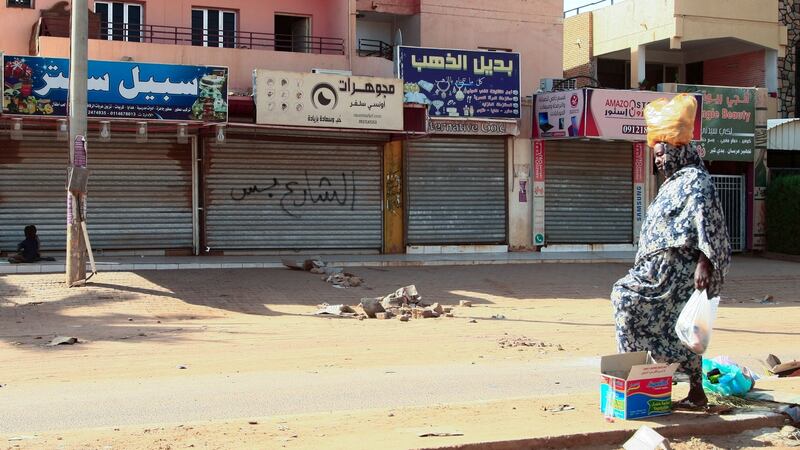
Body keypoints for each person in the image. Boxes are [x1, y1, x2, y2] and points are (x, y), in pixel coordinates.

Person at [611, 134, 731, 408]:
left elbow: (709, 222)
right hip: (657, 271)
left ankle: (649, 379)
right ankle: (656, 383)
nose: (659, 160)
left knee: (626, 298)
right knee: (673, 325)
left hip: (680, 273)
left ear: (679, 152)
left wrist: (705, 262)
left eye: (663, 154)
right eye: (656, 156)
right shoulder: (672, 184)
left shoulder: (697, 180)